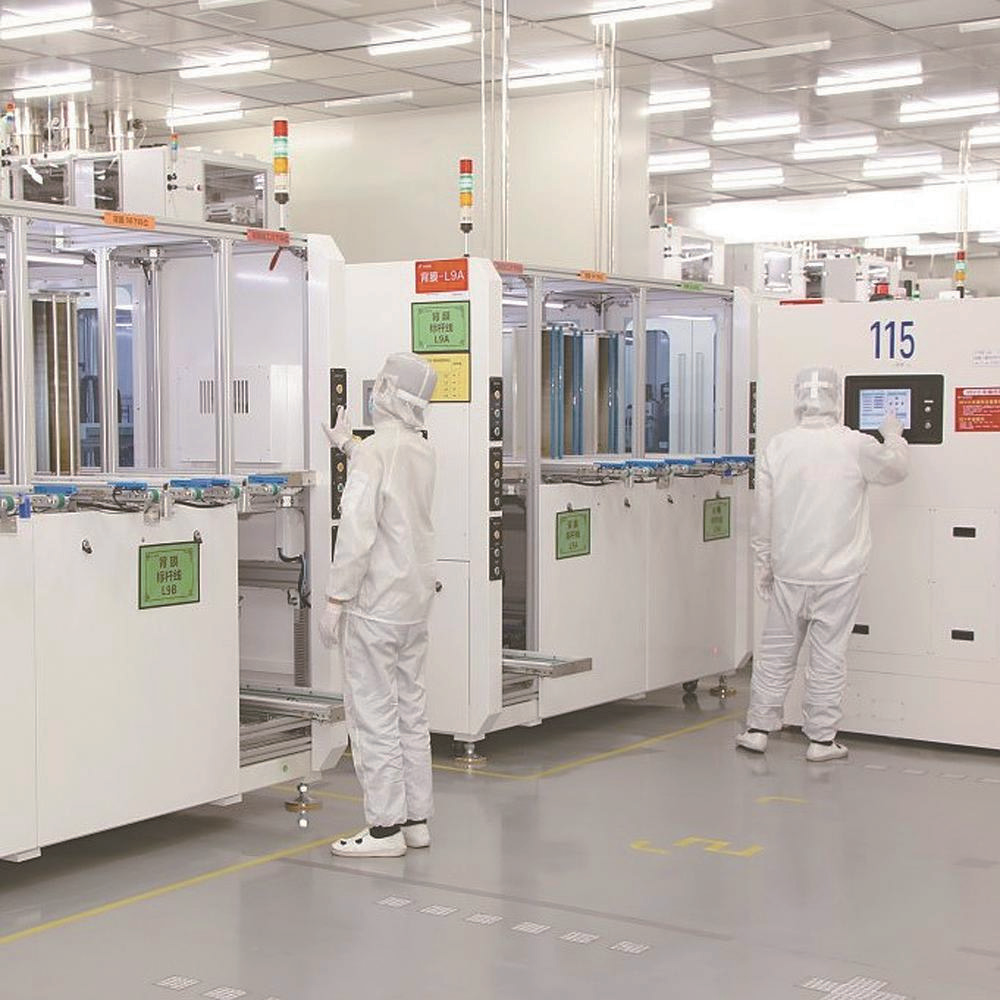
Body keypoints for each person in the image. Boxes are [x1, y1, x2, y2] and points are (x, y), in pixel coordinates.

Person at [737, 367, 909, 762]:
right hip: (839, 573)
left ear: (798, 396)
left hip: (789, 569)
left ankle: (758, 729)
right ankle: (821, 740)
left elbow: (763, 514)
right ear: (837, 398)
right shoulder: (855, 444)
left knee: (776, 651)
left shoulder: (779, 446)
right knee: (828, 655)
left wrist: (764, 562)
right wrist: (894, 435)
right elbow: (896, 469)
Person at [319, 352, 438, 857]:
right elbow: (392, 486)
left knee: (373, 715)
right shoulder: (421, 450)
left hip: (374, 607)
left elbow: (357, 532)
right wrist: (348, 444)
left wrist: (336, 597)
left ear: (388, 392)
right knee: (410, 710)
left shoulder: (375, 454)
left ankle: (385, 829)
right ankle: (415, 820)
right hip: (413, 603)